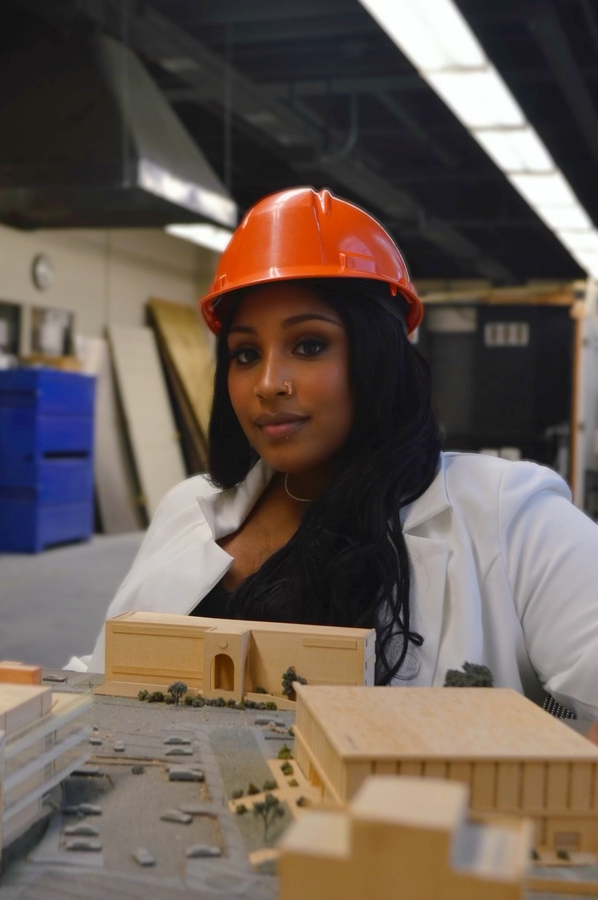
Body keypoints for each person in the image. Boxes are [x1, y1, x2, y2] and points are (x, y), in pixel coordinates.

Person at [71, 187, 598, 721]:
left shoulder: (512, 517)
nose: (268, 383)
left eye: (309, 345)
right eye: (246, 354)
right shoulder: (187, 509)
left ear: (378, 357)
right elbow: (102, 673)